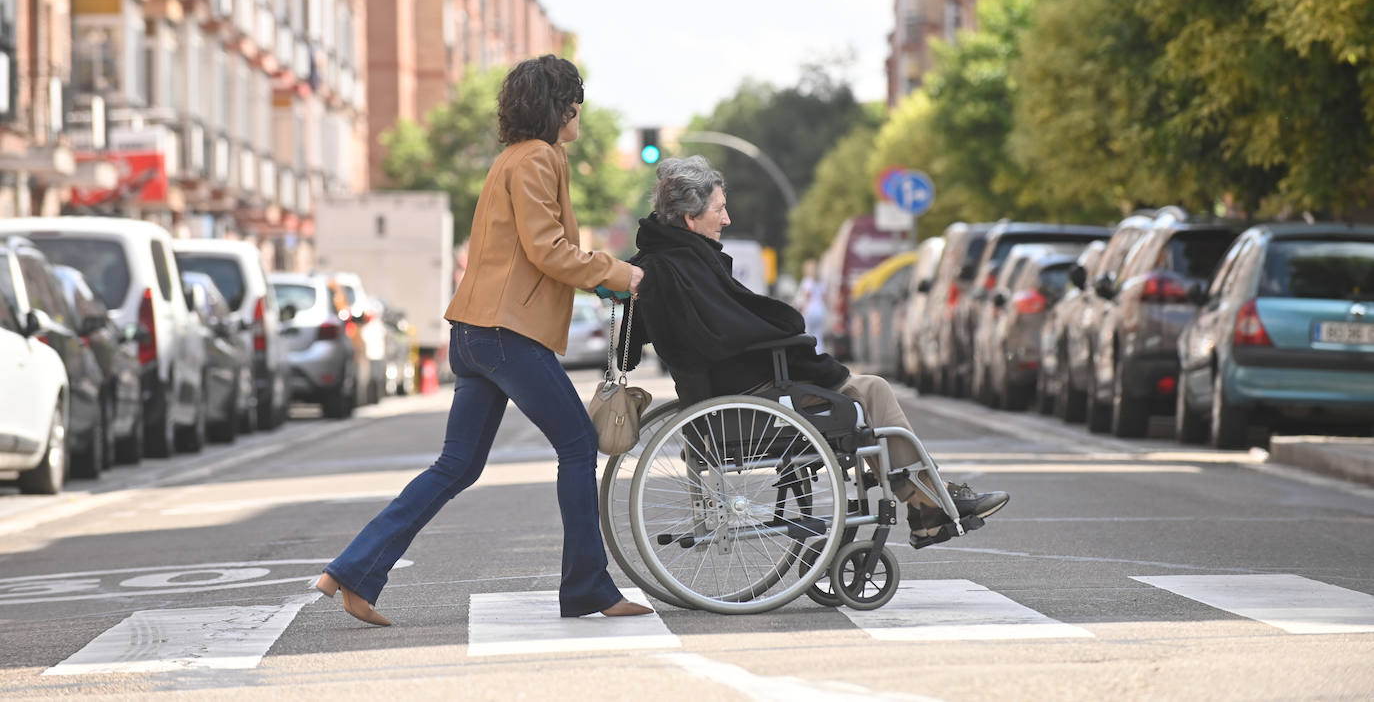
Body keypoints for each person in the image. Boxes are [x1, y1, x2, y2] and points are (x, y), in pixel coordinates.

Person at [315, 55, 652, 625]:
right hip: (505, 335)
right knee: (575, 444)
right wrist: (620, 274)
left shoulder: (513, 160)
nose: (579, 114)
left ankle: (353, 570)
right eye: (575, 102)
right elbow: (547, 247)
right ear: (558, 106)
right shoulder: (540, 159)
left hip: (475, 333)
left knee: (457, 465)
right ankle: (588, 588)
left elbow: (528, 254)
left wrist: (598, 280)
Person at [618, 155, 1008, 549]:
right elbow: (737, 333)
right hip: (747, 398)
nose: (727, 219)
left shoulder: (668, 259)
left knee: (864, 392)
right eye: (719, 209)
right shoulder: (685, 265)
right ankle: (930, 501)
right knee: (871, 391)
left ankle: (926, 503)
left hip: (727, 393)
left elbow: (732, 328)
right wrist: (795, 338)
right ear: (690, 218)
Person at [794, 258, 828, 353]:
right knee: (819, 334)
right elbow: (824, 298)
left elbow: (806, 296)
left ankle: (811, 353)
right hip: (820, 310)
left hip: (810, 310)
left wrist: (802, 309)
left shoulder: (807, 281)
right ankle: (820, 353)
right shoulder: (822, 282)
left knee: (808, 334)